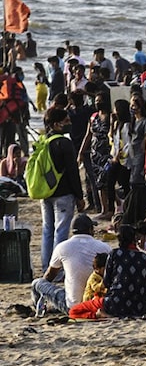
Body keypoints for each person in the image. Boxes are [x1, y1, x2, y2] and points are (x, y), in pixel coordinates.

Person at [31, 214, 111, 315]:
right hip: (97, 304)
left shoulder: (62, 247)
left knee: (37, 283)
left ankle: (39, 309)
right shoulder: (104, 247)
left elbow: (49, 276)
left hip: (73, 307)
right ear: (91, 230)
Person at [39, 107, 86, 271]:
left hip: (46, 193)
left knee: (47, 231)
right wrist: (79, 196)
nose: (70, 123)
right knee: (61, 232)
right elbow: (73, 172)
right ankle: (57, 271)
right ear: (57, 124)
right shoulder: (64, 143)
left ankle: (47, 267)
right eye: (66, 121)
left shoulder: (44, 141)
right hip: (63, 194)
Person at [78, 95, 113, 220]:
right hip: (95, 154)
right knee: (99, 181)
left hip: (108, 153)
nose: (98, 103)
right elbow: (88, 135)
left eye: (101, 101)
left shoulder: (111, 116)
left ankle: (113, 207)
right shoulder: (93, 117)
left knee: (108, 180)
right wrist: (81, 152)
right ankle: (104, 209)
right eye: (97, 101)